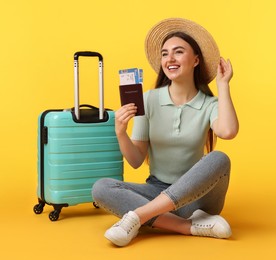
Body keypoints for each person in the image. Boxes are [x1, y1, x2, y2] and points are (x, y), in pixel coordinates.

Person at [92, 17, 239, 247]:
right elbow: (136, 160)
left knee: (219, 158)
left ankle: (138, 217)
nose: (169, 59)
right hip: (157, 189)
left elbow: (228, 131)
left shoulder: (210, 104)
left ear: (196, 60)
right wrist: (121, 132)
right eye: (165, 54)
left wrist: (223, 85)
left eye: (178, 52)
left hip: (198, 200)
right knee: (101, 188)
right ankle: (188, 227)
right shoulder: (148, 100)